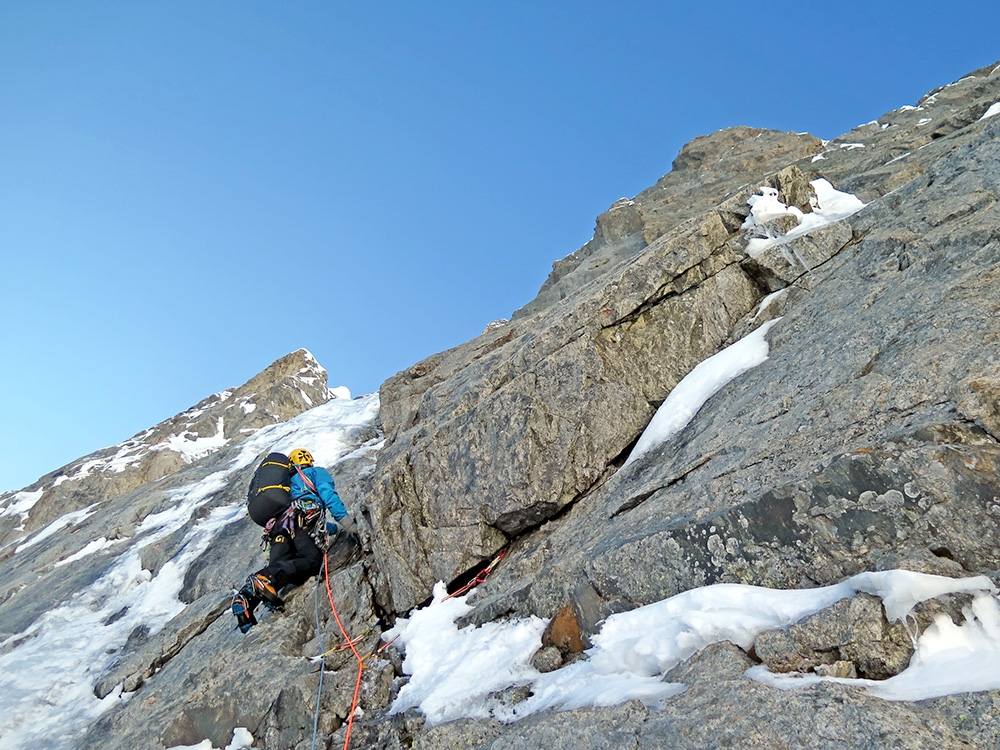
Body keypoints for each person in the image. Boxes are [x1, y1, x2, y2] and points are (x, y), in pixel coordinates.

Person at [232, 447, 357, 633]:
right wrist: (350, 526)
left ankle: (246, 601)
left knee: (279, 570)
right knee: (311, 562)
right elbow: (328, 496)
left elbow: (318, 524)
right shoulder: (315, 472)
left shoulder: (286, 484)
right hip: (301, 521)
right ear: (309, 461)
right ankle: (261, 580)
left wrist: (332, 529)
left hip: (278, 529)